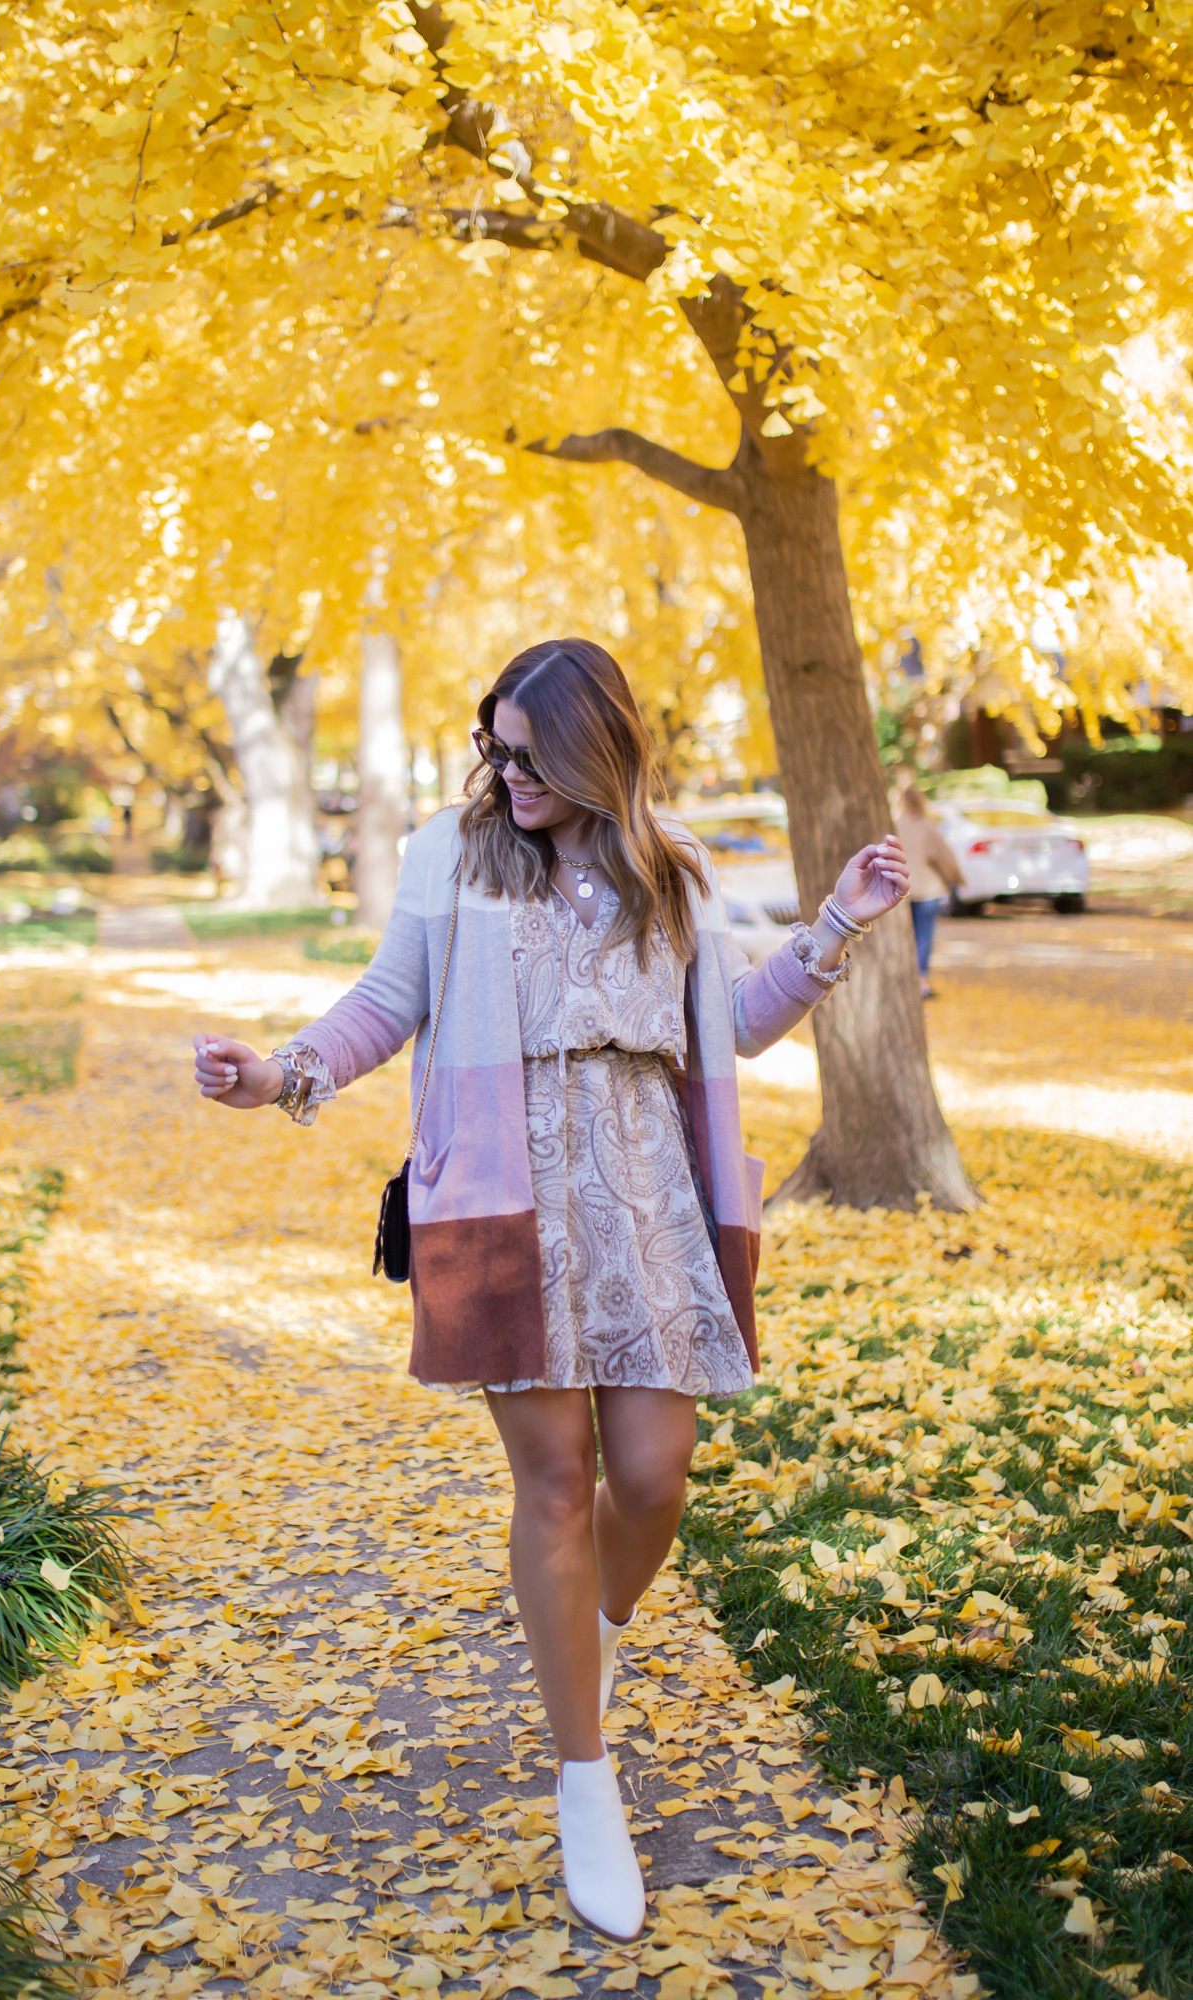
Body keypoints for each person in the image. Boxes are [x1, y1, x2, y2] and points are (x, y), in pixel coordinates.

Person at [191, 640, 910, 1943]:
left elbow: (732, 1023)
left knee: (651, 1478)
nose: (506, 773)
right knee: (553, 1485)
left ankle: (586, 1632)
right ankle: (587, 1776)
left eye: (532, 753)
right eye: (496, 748)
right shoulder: (447, 858)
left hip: (647, 1204)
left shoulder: (670, 862)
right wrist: (278, 1073)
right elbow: (383, 1004)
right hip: (510, 1198)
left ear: (596, 750)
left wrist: (838, 923)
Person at [891, 781, 963, 998]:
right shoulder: (926, 825)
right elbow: (942, 855)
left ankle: (906, 981)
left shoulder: (895, 825)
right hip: (928, 889)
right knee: (924, 937)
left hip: (902, 890)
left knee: (906, 938)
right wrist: (954, 878)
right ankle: (921, 982)